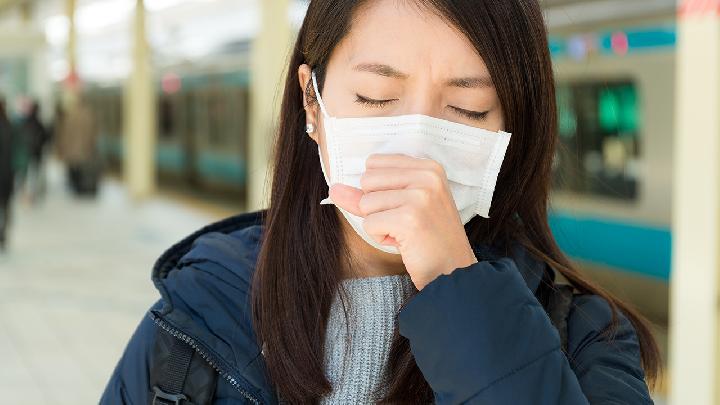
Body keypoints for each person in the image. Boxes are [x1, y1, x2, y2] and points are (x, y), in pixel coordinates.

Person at [101, 1, 661, 404]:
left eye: (469, 108)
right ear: (311, 103)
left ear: (514, 128)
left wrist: (454, 285)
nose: (414, 146)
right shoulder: (195, 315)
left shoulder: (588, 338)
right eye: (376, 97)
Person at [57, 96, 99, 196]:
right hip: (84, 147)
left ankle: (76, 187)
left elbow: (64, 133)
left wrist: (62, 148)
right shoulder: (89, 114)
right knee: (83, 168)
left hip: (72, 148)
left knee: (74, 168)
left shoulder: (70, 115)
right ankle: (82, 187)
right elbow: (94, 132)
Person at [0, 98, 13, 251]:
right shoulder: (10, 126)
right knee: (5, 205)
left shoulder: (11, 127)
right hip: (7, 174)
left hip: (6, 173)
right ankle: (3, 231)